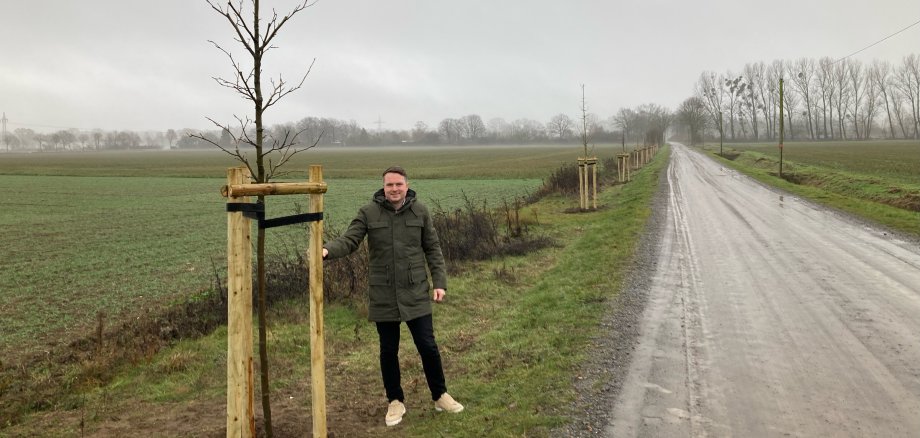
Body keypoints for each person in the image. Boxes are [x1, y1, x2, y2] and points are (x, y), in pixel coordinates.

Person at [322, 165, 463, 427]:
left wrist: (439, 282)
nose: (394, 189)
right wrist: (326, 250)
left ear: (406, 186)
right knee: (388, 350)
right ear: (383, 187)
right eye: (390, 185)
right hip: (383, 293)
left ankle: (440, 395)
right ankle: (395, 401)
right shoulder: (368, 212)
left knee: (427, 346)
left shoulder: (420, 211)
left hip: (415, 291)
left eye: (399, 184)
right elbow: (349, 240)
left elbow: (432, 248)